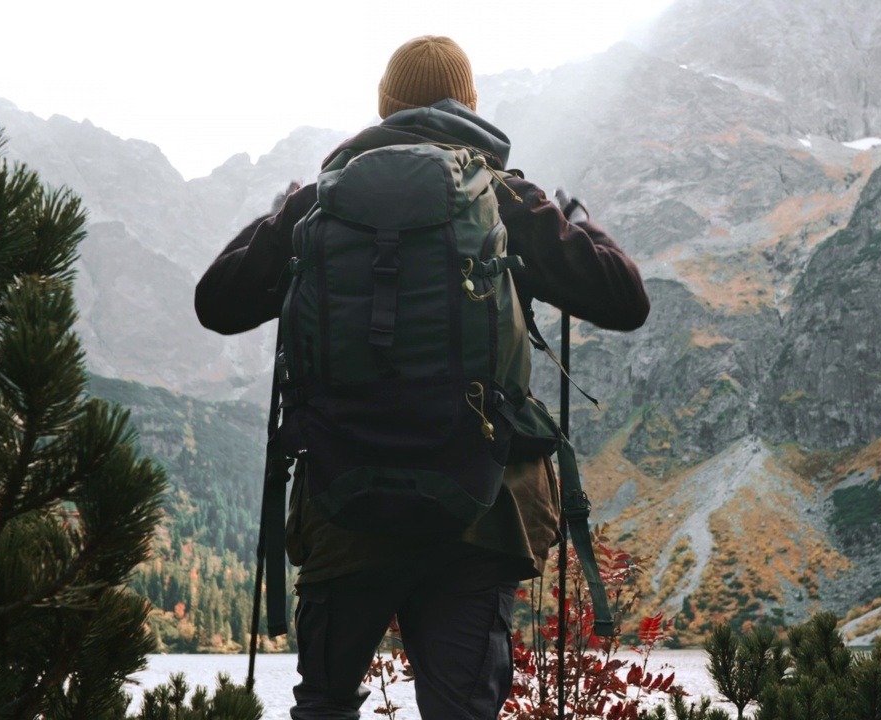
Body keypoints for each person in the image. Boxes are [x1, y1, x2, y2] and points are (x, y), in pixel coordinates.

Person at [195, 35, 650, 720]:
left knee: (324, 705)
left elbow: (216, 302)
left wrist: (282, 209)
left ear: (385, 109)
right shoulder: (500, 195)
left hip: (341, 508)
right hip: (474, 517)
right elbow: (624, 299)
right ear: (467, 107)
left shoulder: (320, 202)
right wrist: (579, 220)